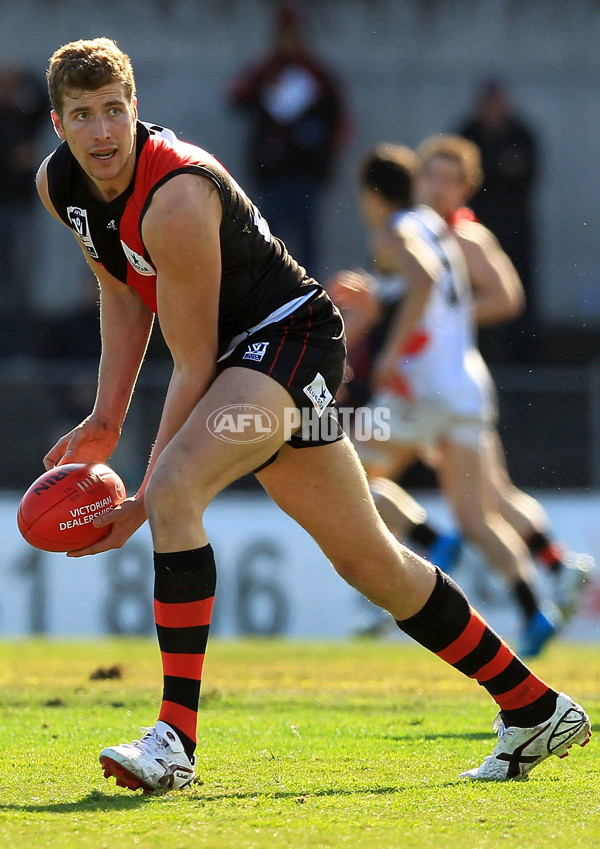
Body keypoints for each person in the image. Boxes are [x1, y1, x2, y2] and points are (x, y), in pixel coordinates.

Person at [36, 37, 590, 795]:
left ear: (137, 109)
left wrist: (140, 499)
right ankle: (533, 704)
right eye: (82, 115)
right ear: (58, 122)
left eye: (113, 111)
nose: (101, 132)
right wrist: (105, 418)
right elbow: (122, 295)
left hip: (289, 343)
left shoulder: (177, 197)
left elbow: (194, 363)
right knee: (372, 561)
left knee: (174, 490)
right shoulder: (59, 182)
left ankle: (174, 740)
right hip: (249, 361)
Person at [331, 144, 559, 658]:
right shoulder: (440, 227)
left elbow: (422, 278)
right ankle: (533, 608)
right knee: (478, 516)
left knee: (340, 467)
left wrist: (388, 354)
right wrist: (379, 300)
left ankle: (430, 539)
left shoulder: (394, 231)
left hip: (423, 385)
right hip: (466, 386)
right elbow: (428, 288)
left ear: (370, 194)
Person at [227, 2, 347, 277]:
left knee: (307, 247)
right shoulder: (266, 71)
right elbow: (236, 98)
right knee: (270, 241)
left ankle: (310, 301)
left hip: (307, 175)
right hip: (272, 175)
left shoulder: (316, 74)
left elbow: (339, 121)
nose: (288, 42)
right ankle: (271, 300)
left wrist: (324, 160)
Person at [455, 79, 539, 362]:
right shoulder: (468, 133)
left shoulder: (521, 134)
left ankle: (522, 362)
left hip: (514, 230)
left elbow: (525, 177)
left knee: (519, 297)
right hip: (475, 228)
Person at [0, 62, 48, 357]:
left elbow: (45, 102)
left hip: (21, 210)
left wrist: (24, 74)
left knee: (20, 283)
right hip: (7, 206)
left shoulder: (21, 115)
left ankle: (17, 351)